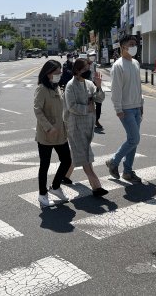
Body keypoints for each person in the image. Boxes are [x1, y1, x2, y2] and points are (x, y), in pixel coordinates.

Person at [64, 58, 108, 197]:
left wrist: (99, 86)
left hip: (88, 124)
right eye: (85, 69)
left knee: (78, 152)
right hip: (75, 125)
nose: (88, 71)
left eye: (89, 68)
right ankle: (96, 186)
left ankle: (64, 176)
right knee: (85, 155)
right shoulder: (70, 86)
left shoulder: (89, 84)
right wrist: (87, 108)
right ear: (77, 70)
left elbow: (99, 99)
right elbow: (71, 107)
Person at [34, 60, 72, 207]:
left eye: (60, 71)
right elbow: (37, 109)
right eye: (56, 72)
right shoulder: (42, 89)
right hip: (47, 134)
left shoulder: (57, 87)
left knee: (67, 160)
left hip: (60, 132)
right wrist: (48, 127)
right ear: (48, 73)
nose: (59, 74)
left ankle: (55, 187)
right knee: (45, 164)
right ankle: (42, 194)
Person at [106, 34, 144, 183]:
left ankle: (127, 171)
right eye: (131, 44)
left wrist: (141, 104)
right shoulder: (118, 66)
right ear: (123, 47)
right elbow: (116, 90)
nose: (134, 46)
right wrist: (118, 109)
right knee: (134, 139)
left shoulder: (135, 63)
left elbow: (138, 86)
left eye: (135, 44)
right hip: (126, 109)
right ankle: (113, 162)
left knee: (133, 140)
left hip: (136, 107)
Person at [87, 52, 103, 129]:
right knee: (89, 103)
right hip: (87, 85)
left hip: (95, 84)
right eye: (91, 56)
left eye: (94, 56)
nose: (93, 57)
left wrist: (97, 83)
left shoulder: (94, 64)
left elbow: (95, 72)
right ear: (88, 56)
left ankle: (96, 120)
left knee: (99, 102)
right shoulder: (84, 64)